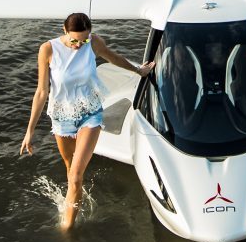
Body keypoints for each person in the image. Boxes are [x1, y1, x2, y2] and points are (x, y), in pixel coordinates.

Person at [19, 13, 152, 228]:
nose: (79, 45)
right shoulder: (48, 49)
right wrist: (29, 131)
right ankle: (72, 197)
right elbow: (42, 91)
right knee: (70, 170)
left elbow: (113, 58)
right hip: (62, 118)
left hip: (90, 112)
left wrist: (138, 70)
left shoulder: (94, 43)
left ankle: (67, 229)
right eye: (74, 40)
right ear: (64, 30)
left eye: (84, 40)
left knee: (77, 175)